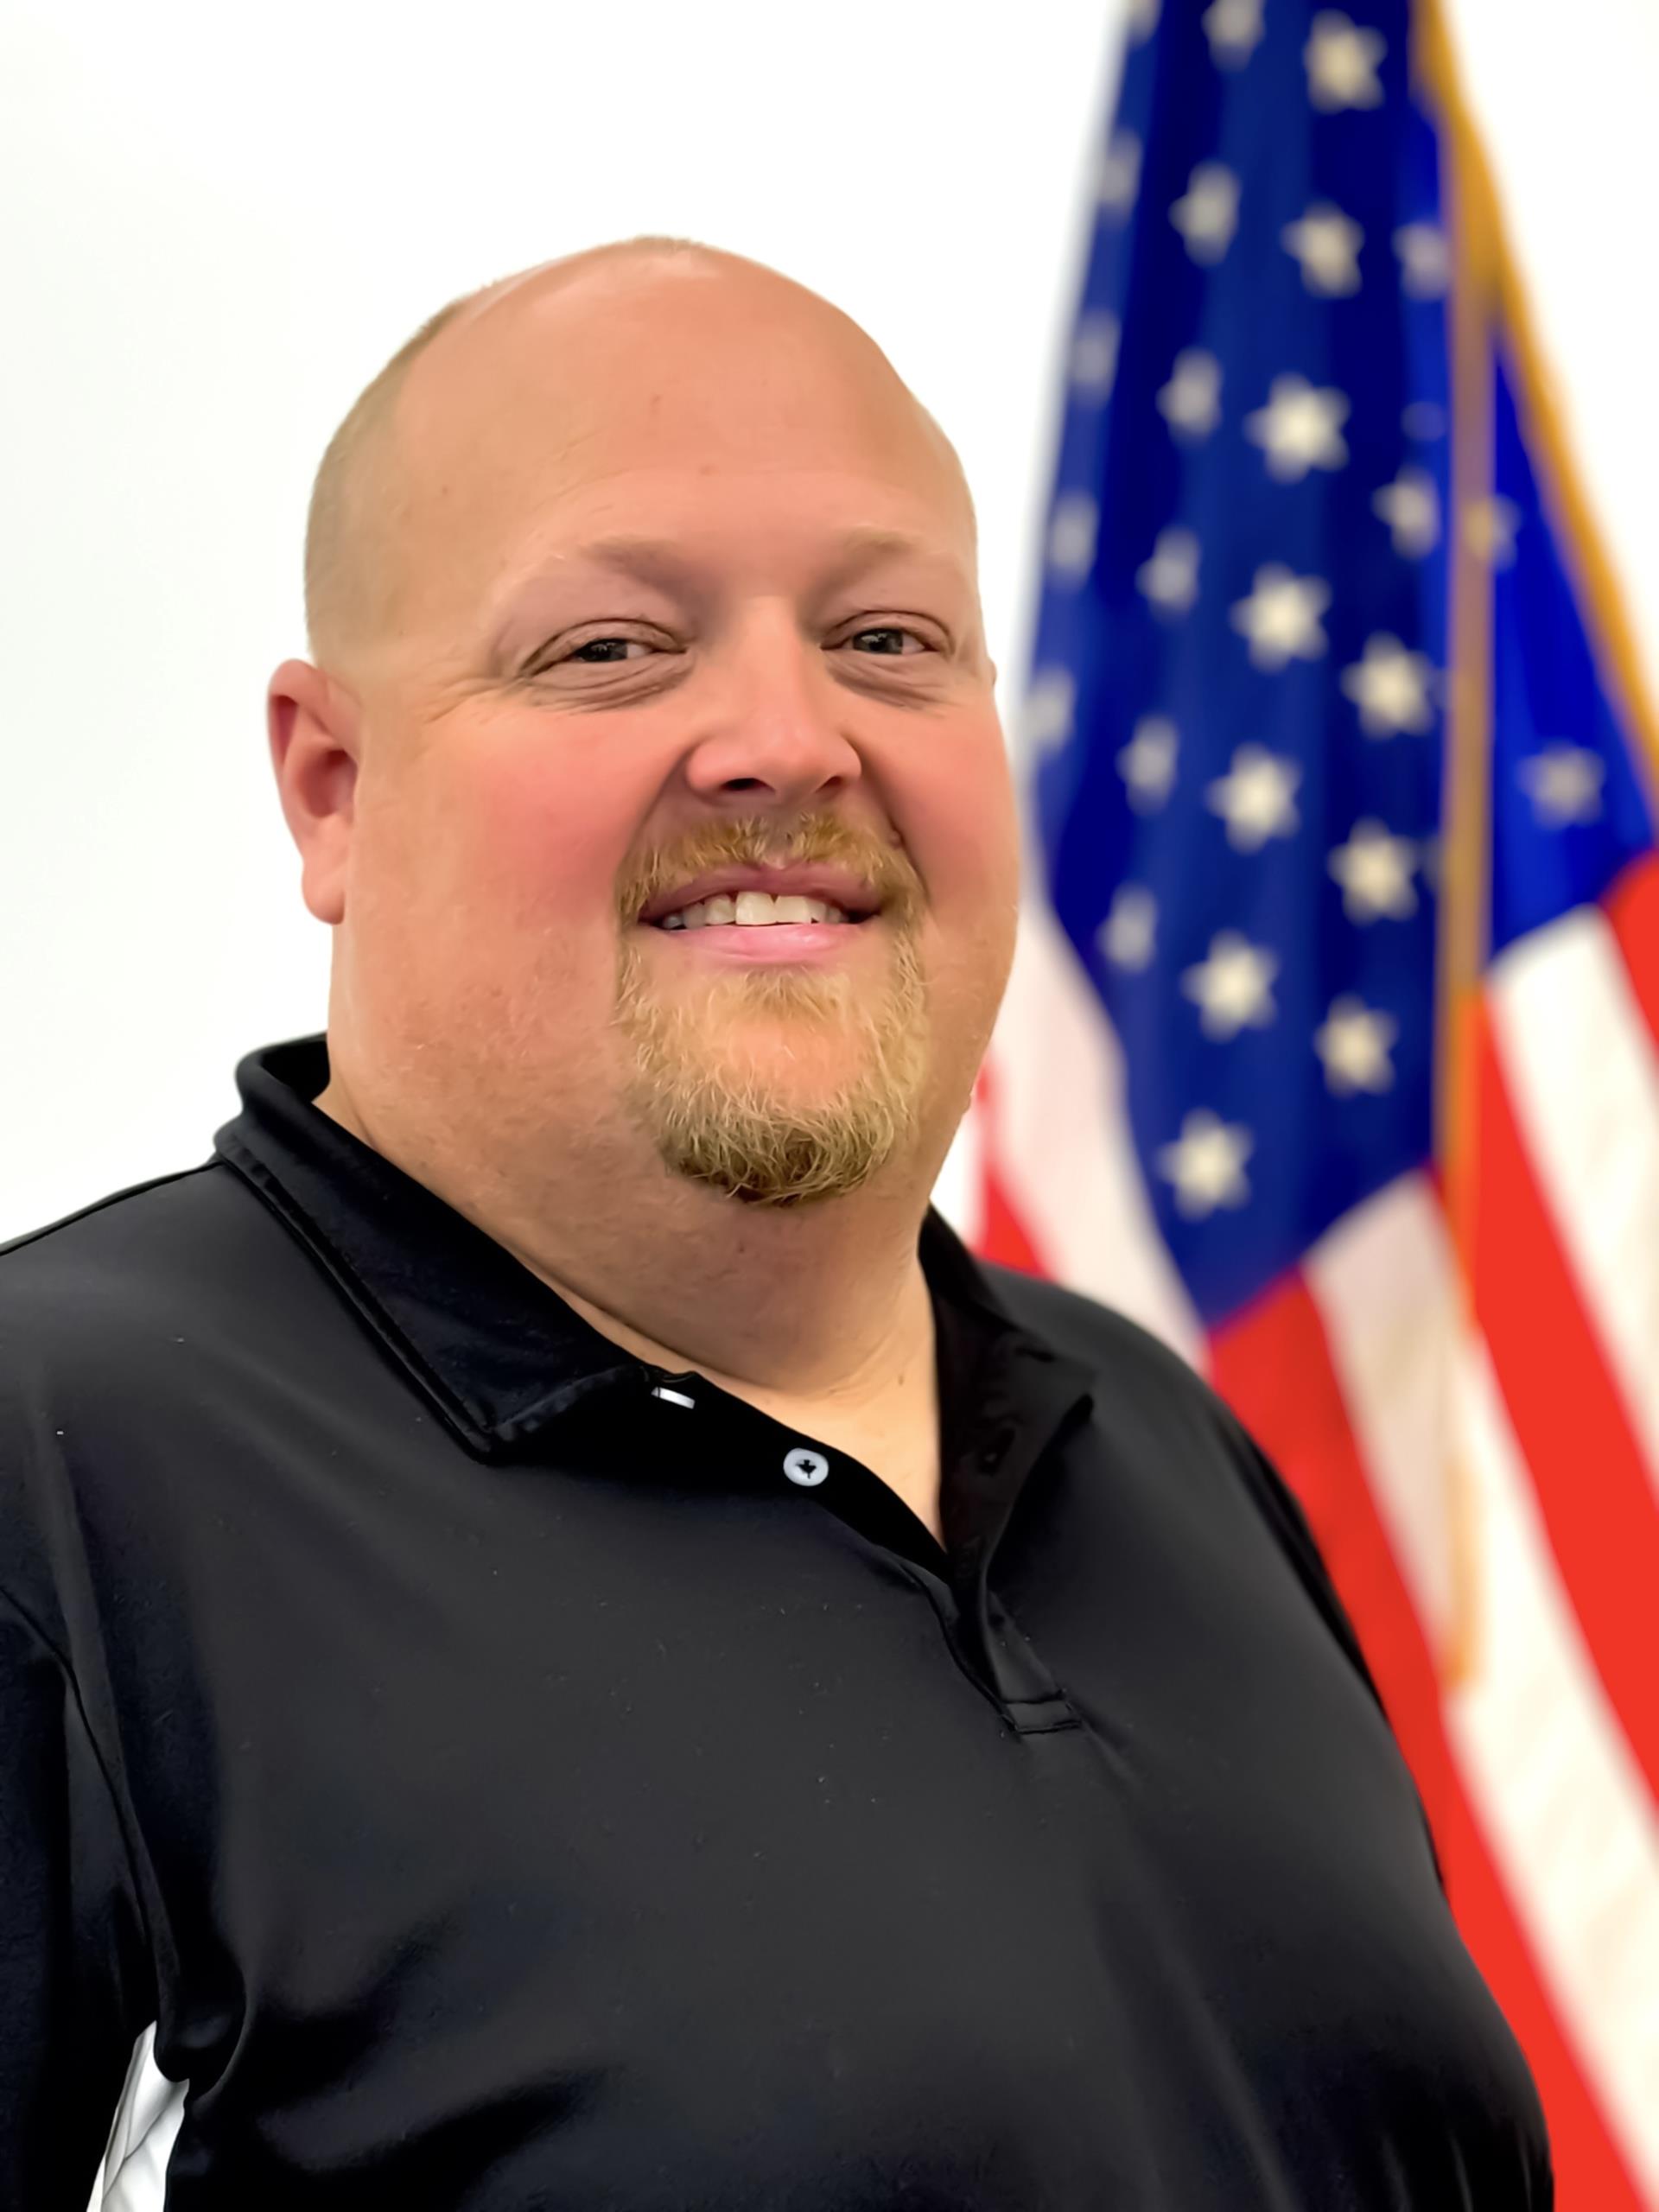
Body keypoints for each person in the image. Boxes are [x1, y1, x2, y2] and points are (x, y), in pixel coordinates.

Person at [1, 238, 1551, 2209]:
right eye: (613, 647)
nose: (787, 739)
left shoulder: (1165, 1443)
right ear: (332, 785)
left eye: (889, 639)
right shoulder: (59, 1484)